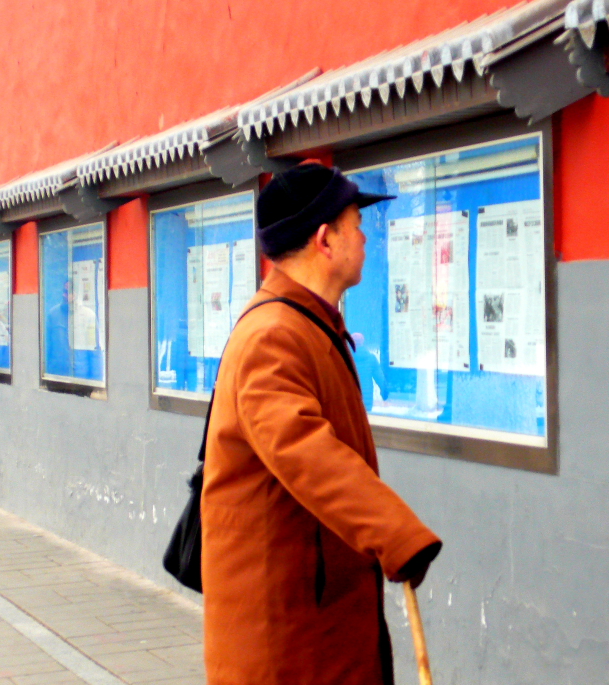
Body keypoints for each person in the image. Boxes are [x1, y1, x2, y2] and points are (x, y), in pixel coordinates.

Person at [202, 164, 442, 685]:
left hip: (315, 621)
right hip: (287, 641)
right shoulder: (273, 335)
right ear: (325, 239)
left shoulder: (307, 323)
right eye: (357, 224)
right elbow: (306, 452)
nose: (365, 237)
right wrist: (397, 535)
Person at [351, 331, 389, 412]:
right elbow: (380, 378)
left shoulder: (345, 358)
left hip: (350, 399)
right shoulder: (371, 358)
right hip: (366, 400)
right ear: (362, 342)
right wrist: (384, 393)